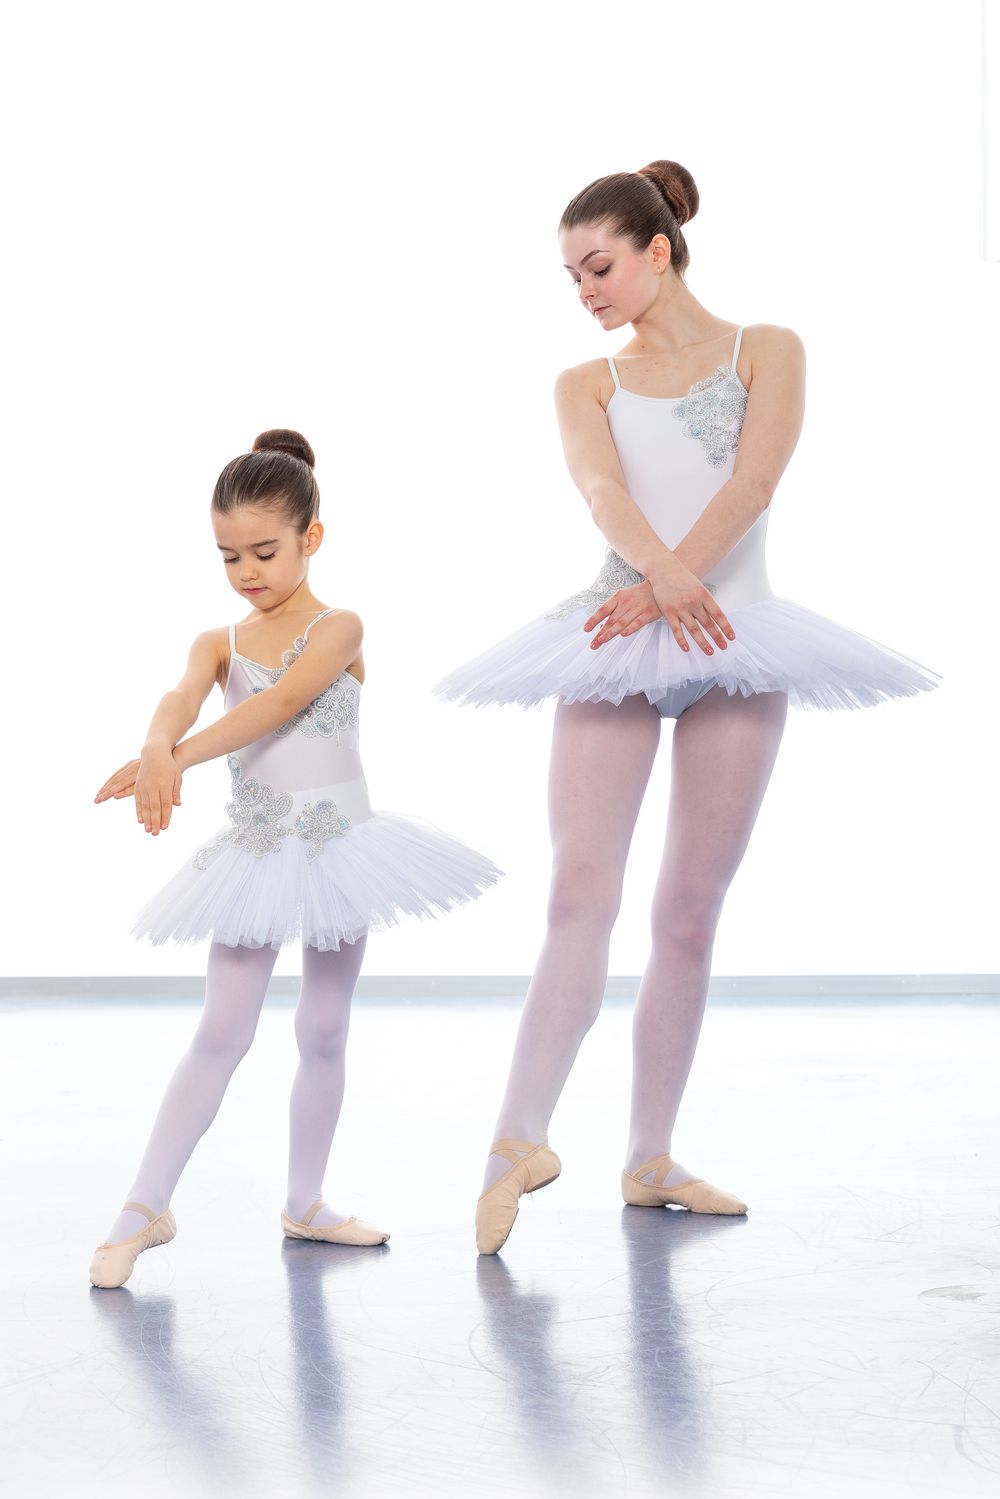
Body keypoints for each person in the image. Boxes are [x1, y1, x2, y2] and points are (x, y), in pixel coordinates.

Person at [433, 160, 940, 1255]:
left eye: (598, 267)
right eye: (572, 277)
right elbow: (600, 490)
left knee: (688, 913)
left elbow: (754, 482)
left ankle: (650, 1154)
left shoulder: (768, 347)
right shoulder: (585, 382)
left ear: (657, 250)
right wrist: (658, 576)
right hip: (618, 632)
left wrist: (679, 577)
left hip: (736, 637)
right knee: (579, 892)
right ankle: (515, 1140)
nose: (585, 291)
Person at [89, 428, 502, 1287]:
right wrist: (157, 745)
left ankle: (306, 1200)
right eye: (228, 556)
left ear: (311, 537)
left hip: (341, 847)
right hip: (258, 854)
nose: (246, 571)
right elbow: (180, 696)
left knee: (323, 1027)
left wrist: (177, 759)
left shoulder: (339, 626)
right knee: (221, 1030)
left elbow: (281, 703)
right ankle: (142, 1206)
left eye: (264, 552)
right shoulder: (216, 640)